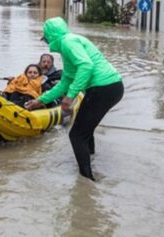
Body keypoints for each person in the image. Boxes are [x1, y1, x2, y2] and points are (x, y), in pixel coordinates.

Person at [26, 17, 123, 181]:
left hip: (103, 88)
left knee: (77, 135)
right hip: (111, 87)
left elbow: (86, 66)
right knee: (85, 130)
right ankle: (90, 159)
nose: (46, 42)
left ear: (51, 36)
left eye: (46, 38)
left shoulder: (67, 42)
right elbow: (65, 82)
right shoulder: (69, 45)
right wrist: (40, 100)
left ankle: (86, 181)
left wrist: (70, 96)